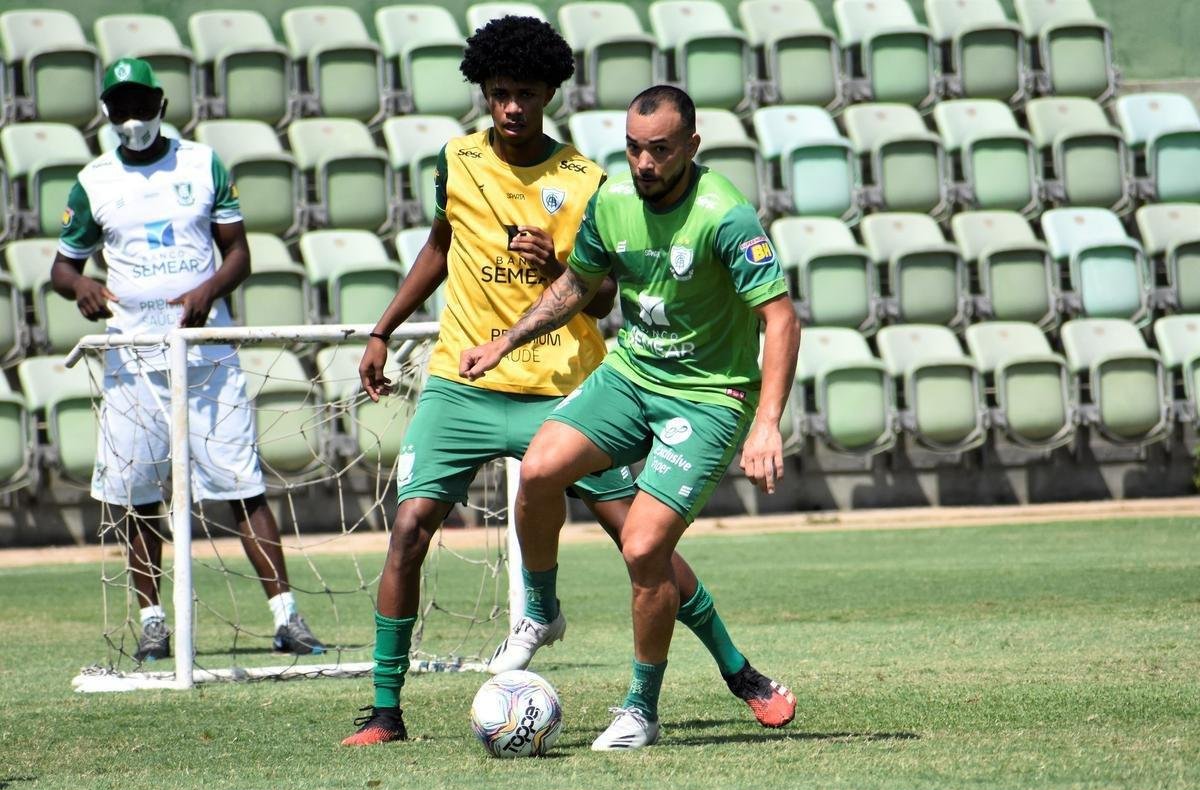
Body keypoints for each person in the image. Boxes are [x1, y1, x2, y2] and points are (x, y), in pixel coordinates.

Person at [342, 17, 794, 746]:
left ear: (550, 92)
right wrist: (384, 327)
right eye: (498, 93)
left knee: (644, 547)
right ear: (484, 94)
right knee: (408, 527)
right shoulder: (455, 159)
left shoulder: (590, 181)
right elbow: (440, 242)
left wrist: (553, 267)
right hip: (467, 377)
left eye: (525, 93)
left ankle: (736, 668)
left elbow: (600, 292)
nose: (511, 107)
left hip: (563, 380)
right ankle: (386, 711)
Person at [460, 84, 802, 750]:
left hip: (708, 397)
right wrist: (506, 339)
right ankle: (543, 611)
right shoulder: (612, 200)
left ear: (690, 147)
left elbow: (780, 316)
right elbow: (577, 285)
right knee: (539, 468)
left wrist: (766, 422)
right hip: (631, 375)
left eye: (661, 150)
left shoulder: (724, 214)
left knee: (645, 545)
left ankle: (640, 709)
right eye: (635, 149)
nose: (645, 164)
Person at [52, 58, 324, 662]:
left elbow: (240, 254)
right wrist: (83, 289)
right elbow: (62, 268)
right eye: (119, 108)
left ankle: (287, 618)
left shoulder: (202, 163)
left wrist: (208, 291)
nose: (131, 120)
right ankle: (153, 621)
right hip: (132, 358)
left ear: (161, 104)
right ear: (106, 113)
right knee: (139, 495)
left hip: (205, 355)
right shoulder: (93, 180)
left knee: (242, 484)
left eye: (140, 106)